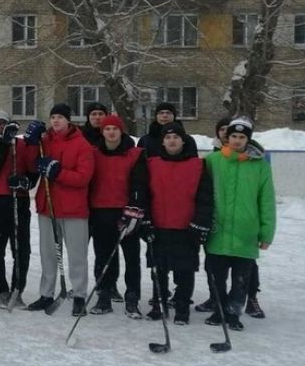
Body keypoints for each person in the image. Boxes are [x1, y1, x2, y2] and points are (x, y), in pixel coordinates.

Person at [129, 121, 213, 325]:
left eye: (176, 137)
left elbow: (205, 198)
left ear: (183, 140)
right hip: (159, 225)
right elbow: (144, 196)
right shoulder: (151, 164)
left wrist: (200, 223)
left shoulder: (198, 165)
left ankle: (182, 306)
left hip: (186, 227)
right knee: (159, 268)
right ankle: (159, 303)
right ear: (162, 142)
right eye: (168, 137)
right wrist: (145, 220)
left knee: (185, 269)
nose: (172, 140)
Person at [202, 117, 275, 331]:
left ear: (248, 139)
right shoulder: (212, 161)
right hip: (218, 230)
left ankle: (233, 313)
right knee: (216, 276)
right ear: (226, 137)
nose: (236, 140)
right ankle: (219, 310)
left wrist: (266, 232)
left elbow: (267, 200)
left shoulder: (260, 166)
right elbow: (202, 195)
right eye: (233, 136)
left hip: (246, 232)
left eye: (241, 137)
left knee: (241, 279)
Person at [24, 104, 95, 316]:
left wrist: (58, 172)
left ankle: (79, 295)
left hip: (73, 208)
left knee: (76, 255)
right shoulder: (45, 141)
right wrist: (30, 143)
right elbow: (31, 165)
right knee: (48, 254)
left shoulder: (82, 144)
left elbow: (84, 177)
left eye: (60, 118)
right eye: (53, 117)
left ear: (68, 120)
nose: (56, 121)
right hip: (48, 206)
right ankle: (46, 293)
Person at [86, 114, 143, 317]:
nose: (111, 132)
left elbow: (139, 185)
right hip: (100, 211)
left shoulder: (134, 154)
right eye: (107, 129)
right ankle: (104, 296)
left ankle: (132, 298)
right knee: (102, 256)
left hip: (126, 212)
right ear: (102, 132)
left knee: (131, 258)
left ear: (121, 131)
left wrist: (133, 210)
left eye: (115, 129)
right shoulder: (94, 153)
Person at [0, 111, 38, 308]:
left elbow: (33, 170)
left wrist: (25, 181)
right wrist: (4, 143)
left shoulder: (21, 145)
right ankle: (2, 290)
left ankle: (17, 289)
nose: (1, 126)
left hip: (18, 201)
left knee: (22, 250)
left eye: (4, 123)